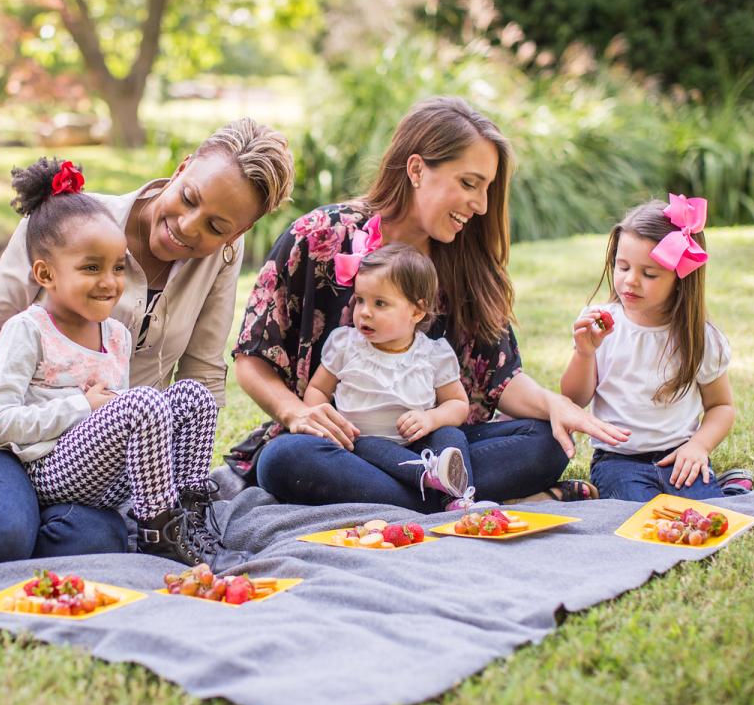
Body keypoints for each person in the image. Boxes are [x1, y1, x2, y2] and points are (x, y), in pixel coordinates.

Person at [0, 119, 295, 571]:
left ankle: (17, 516)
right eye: (189, 198)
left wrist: (172, 482)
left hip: (86, 459)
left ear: (237, 234)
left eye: (216, 226)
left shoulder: (219, 260)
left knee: (96, 541)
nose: (187, 226)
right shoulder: (68, 221)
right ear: (181, 169)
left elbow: (202, 373)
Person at [230, 96, 630, 512]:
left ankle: (428, 497)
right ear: (417, 169)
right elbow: (252, 356)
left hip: (435, 440)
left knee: (548, 442)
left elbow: (501, 378)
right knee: (282, 460)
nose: (482, 206)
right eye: (469, 183)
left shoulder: (466, 261)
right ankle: (455, 499)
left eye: (487, 189)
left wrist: (555, 405)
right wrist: (295, 413)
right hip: (343, 444)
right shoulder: (319, 236)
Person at [0, 159, 222, 566]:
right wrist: (83, 405)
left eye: (118, 267)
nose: (109, 282)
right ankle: (157, 534)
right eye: (91, 268)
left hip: (107, 477)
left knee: (194, 396)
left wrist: (114, 414)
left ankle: (187, 515)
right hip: (49, 469)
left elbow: (119, 417)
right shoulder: (29, 329)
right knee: (142, 402)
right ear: (46, 274)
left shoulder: (117, 335)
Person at [559, 195, 754, 501]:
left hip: (680, 456)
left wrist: (699, 446)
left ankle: (725, 490)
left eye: (649, 274)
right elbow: (573, 399)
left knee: (701, 516)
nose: (630, 281)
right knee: (637, 517)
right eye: (622, 267)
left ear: (680, 278)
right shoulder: (601, 324)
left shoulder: (699, 336)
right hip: (618, 460)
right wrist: (584, 353)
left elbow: (721, 407)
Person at [302, 242, 473, 508]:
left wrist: (430, 418)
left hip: (419, 446)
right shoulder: (345, 346)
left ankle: (455, 498)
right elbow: (318, 390)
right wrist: (324, 418)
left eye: (380, 303)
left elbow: (458, 404)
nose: (364, 312)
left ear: (417, 311)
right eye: (360, 300)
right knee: (296, 453)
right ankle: (426, 482)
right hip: (358, 451)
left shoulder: (432, 354)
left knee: (452, 437)